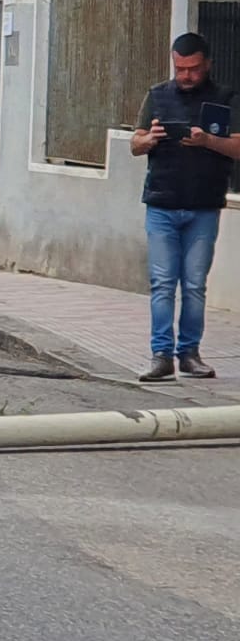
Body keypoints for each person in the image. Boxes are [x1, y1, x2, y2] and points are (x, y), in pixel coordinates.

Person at [129, 32, 238, 381]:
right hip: (161, 202)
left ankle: (189, 353)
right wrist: (150, 139)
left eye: (193, 69)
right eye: (180, 68)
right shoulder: (158, 95)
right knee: (162, 282)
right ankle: (161, 356)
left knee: (193, 283)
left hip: (204, 205)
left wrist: (207, 141)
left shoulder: (225, 98)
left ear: (207, 64)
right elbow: (135, 143)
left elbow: (237, 146)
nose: (186, 76)